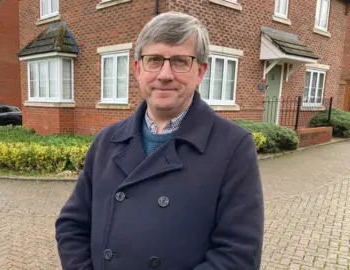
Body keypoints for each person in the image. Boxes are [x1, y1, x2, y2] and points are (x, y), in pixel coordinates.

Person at [55, 11, 264, 270]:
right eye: (154, 60)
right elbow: (71, 225)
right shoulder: (106, 142)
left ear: (200, 71)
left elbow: (238, 256)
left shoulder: (234, 146)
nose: (165, 74)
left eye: (179, 61)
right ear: (137, 69)